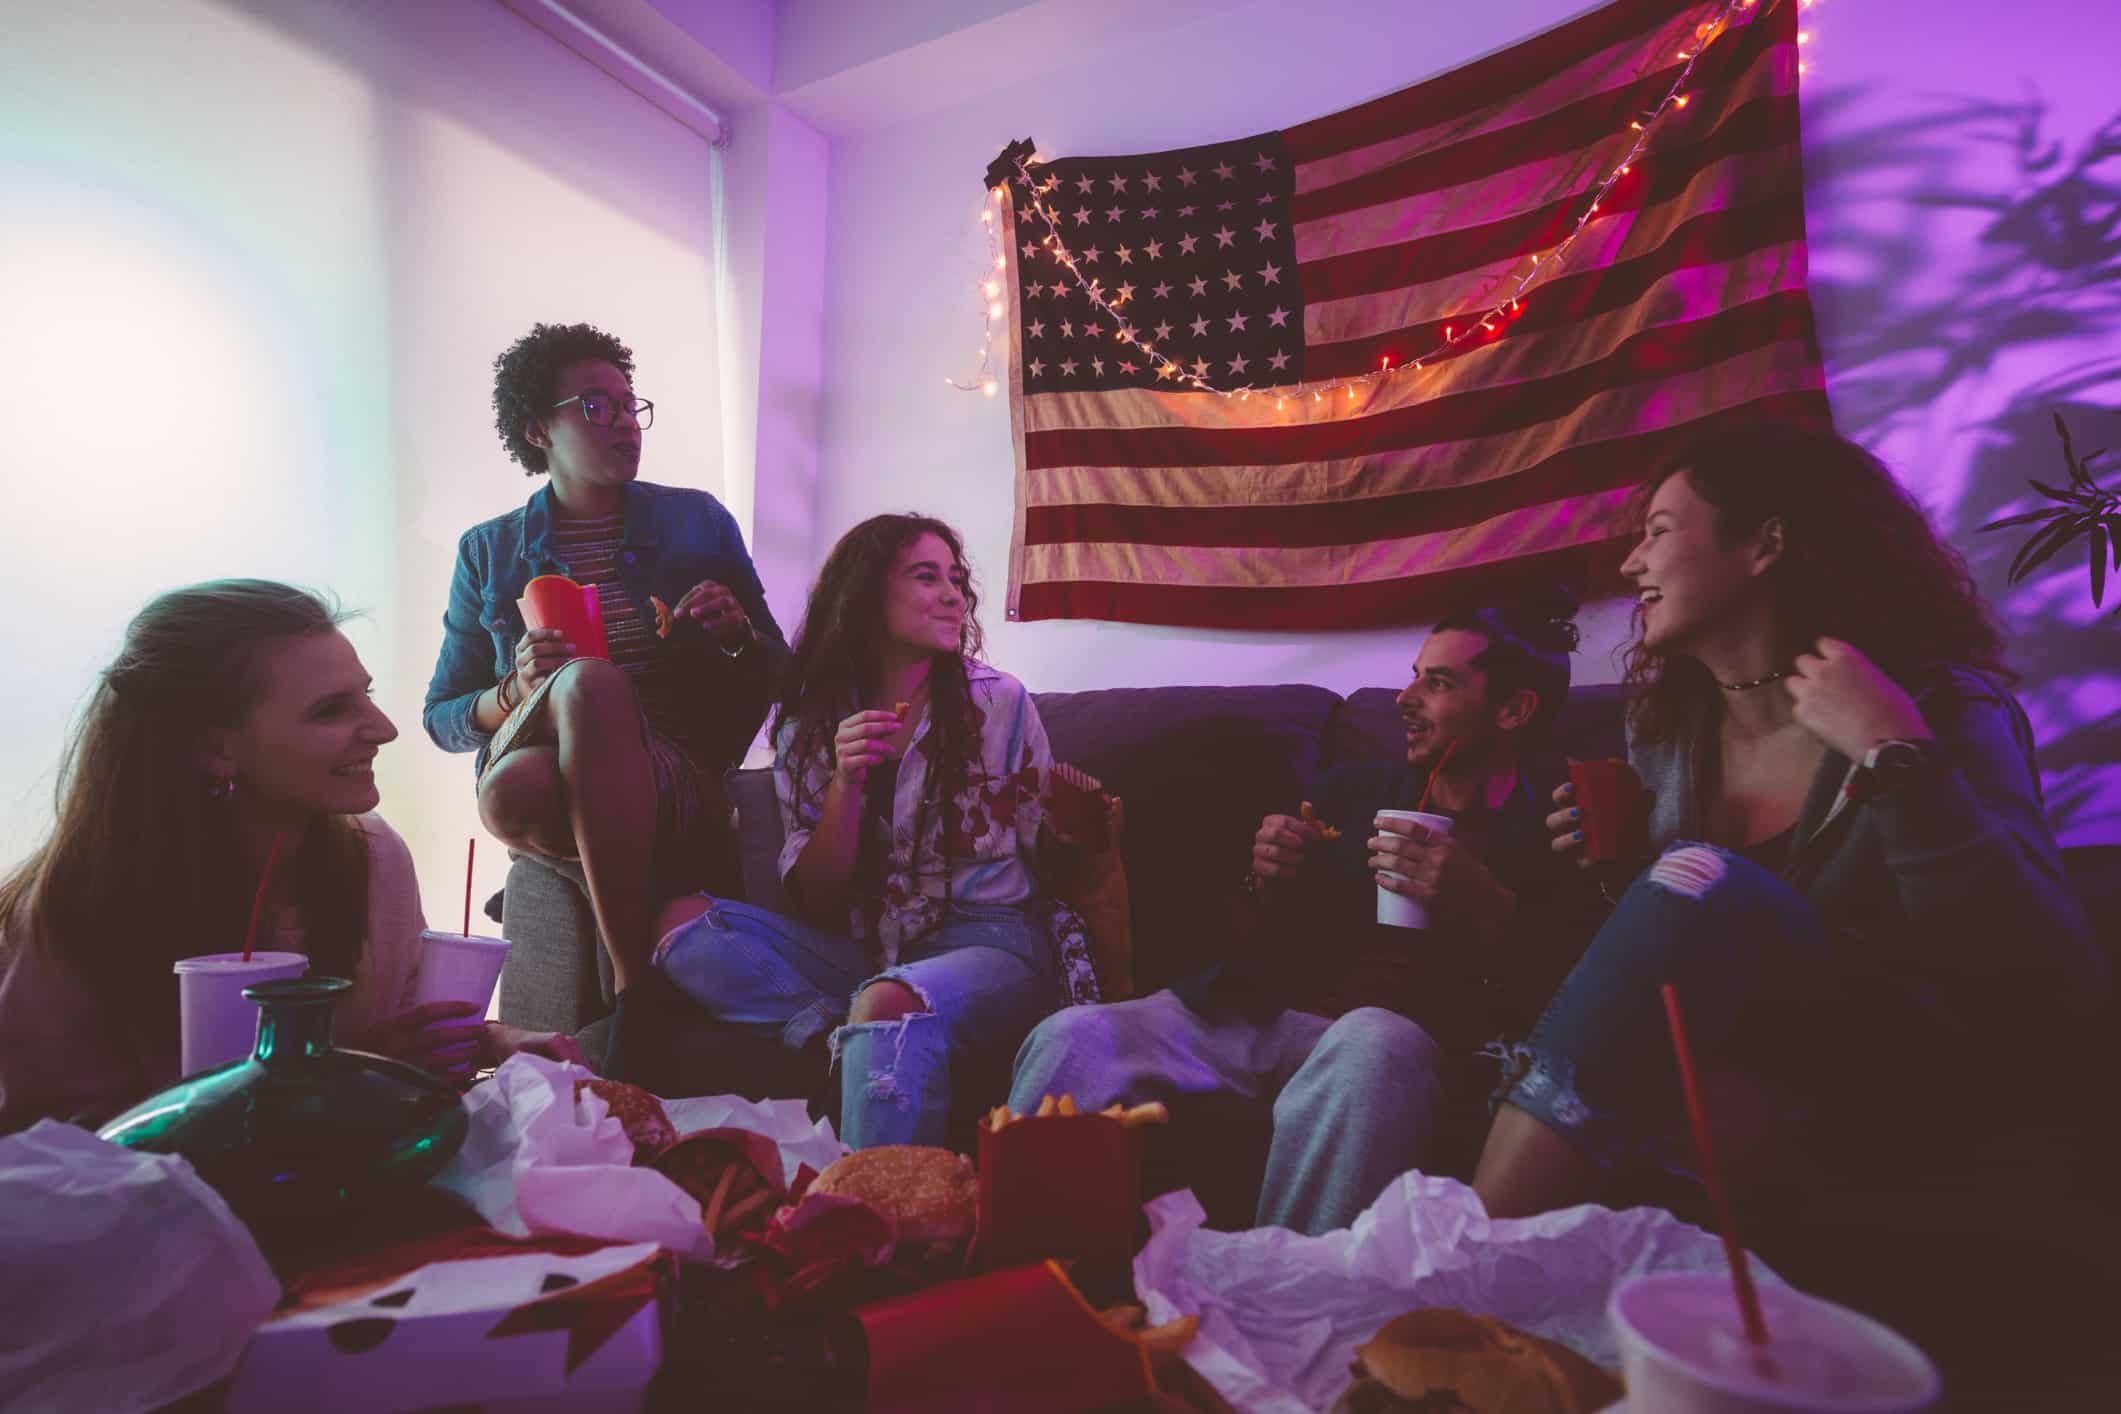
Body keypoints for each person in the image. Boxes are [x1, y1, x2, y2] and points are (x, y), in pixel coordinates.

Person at [1472, 421, 2103, 1220]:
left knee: (1696, 880)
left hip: (1908, 1067)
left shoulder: (1935, 705)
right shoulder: (1666, 731)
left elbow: (2037, 970)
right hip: (1742, 1072)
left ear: (1764, 544)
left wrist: (1893, 755)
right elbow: (1674, 971)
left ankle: (1466, 1256)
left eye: (1658, 533)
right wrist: (1618, 870)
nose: (1632, 563)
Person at [1010, 593, 1602, 1234]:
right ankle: (1015, 1286)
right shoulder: (1351, 791)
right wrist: (1267, 874)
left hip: (1400, 1044)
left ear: (1513, 710)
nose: (1405, 700)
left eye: (1438, 684)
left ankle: (1294, 1302)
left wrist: (1484, 901)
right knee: (1077, 1037)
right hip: (1260, 1017)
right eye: (1413, 676)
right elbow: (1256, 934)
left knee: (1371, 1037)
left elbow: (1575, 1000)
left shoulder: (1562, 827)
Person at [0, 580, 579, 1134]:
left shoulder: (374, 856)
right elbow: (54, 1148)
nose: (384, 729)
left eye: (366, 695)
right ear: (215, 747)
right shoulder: (72, 913)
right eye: (330, 710)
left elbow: (400, 1032)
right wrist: (339, 1074)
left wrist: (493, 1042)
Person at [651, 515, 1099, 1148]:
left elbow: (1048, 862)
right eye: (926, 576)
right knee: (680, 924)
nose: (953, 595)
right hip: (864, 946)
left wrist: (1076, 830)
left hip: (990, 943)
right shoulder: (806, 721)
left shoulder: (999, 703)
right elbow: (819, 900)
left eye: (955, 579)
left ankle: (872, 1221)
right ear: (865, 592)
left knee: (888, 1002)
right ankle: (842, 1030)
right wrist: (846, 786)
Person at [422, 322, 787, 1085]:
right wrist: (514, 689)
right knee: (567, 701)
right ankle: (638, 987)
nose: (623, 421)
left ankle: (617, 989)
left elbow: (781, 672)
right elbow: (444, 716)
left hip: (669, 775)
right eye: (595, 406)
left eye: (629, 405)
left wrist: (732, 637)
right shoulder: (488, 551)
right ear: (536, 428)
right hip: (533, 754)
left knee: (564, 723)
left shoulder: (695, 522)